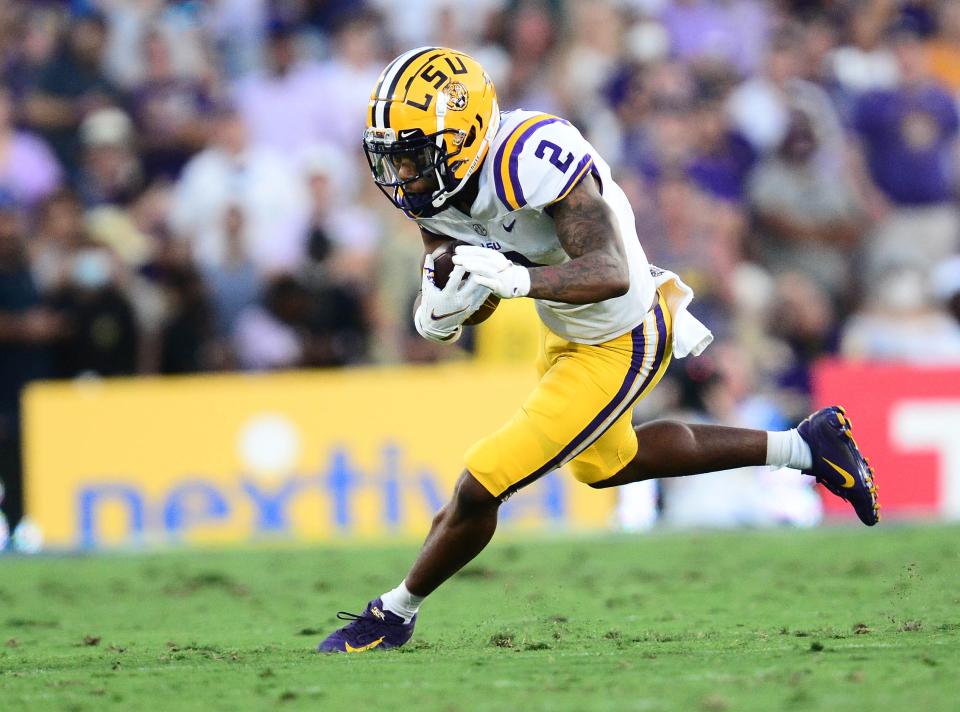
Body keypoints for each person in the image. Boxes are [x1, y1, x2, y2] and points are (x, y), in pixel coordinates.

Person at [317, 48, 880, 654]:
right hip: (566, 324)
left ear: (464, 136)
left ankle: (393, 613)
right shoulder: (437, 187)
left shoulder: (529, 156)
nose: (404, 172)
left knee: (483, 482)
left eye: (413, 153)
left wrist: (518, 282)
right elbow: (464, 272)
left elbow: (608, 270)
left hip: (623, 330)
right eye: (394, 154)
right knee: (609, 463)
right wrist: (446, 310)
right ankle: (806, 446)